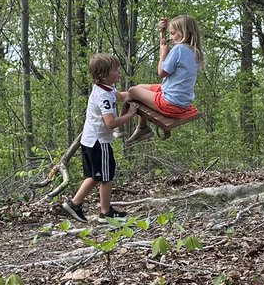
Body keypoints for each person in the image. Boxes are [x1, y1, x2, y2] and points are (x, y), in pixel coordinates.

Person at [62, 53, 134, 222]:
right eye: (114, 70)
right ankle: (104, 212)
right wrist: (130, 114)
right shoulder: (104, 96)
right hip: (98, 142)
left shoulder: (105, 88)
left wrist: (136, 94)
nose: (118, 72)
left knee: (96, 176)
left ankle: (76, 204)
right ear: (103, 75)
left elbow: (122, 96)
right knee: (105, 176)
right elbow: (110, 123)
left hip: (89, 140)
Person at [122, 15, 203, 144]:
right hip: (182, 102)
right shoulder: (194, 51)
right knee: (141, 87)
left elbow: (161, 73)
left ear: (185, 33)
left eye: (173, 33)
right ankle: (142, 127)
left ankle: (119, 126)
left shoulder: (179, 49)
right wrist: (162, 32)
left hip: (170, 103)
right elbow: (165, 47)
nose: (171, 37)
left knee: (132, 91)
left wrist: (162, 54)